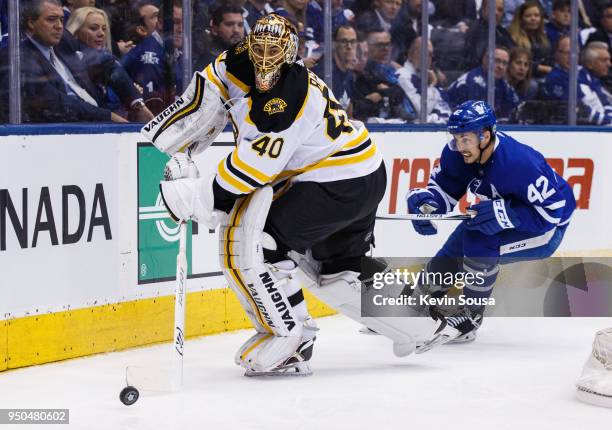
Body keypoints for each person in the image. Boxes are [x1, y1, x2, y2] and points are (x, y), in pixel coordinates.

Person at [146, 13, 420, 376]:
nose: (263, 58)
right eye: (258, 47)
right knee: (338, 272)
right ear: (249, 43)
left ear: (290, 53)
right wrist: (169, 143)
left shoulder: (290, 95)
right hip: (356, 171)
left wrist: (197, 197)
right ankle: (421, 324)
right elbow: (207, 90)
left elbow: (254, 170)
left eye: (274, 50)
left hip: (340, 181)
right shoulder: (236, 59)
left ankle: (294, 336)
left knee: (260, 244)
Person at [406, 100, 576, 349]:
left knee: (478, 238)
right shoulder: (456, 153)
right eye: (455, 138)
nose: (458, 146)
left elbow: (553, 211)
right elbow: (445, 189)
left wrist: (506, 215)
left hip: (548, 228)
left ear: (485, 136)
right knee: (464, 238)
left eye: (465, 139)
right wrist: (427, 204)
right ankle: (417, 302)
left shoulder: (518, 163)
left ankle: (470, 318)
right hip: (521, 213)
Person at [2, 0, 126, 123]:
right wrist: (107, 116)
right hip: (66, 130)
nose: (59, 26)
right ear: (31, 23)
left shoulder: (63, 44)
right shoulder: (18, 57)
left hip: (96, 120)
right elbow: (54, 102)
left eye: (61, 20)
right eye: (51, 19)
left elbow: (105, 62)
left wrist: (136, 102)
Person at [65, 6, 154, 121]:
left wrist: (128, 93)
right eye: (93, 28)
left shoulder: (109, 60)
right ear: (76, 31)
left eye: (104, 28)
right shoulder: (77, 61)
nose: (101, 33)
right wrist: (131, 95)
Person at [352, 29, 417, 122]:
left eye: (388, 44)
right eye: (380, 45)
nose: (386, 49)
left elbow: (399, 92)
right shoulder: (362, 74)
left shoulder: (392, 70)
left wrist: (382, 93)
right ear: (368, 47)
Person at [544, 39, 612, 125]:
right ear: (557, 54)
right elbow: (578, 111)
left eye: (575, 53)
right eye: (567, 53)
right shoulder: (556, 78)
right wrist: (607, 120)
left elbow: (604, 99)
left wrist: (609, 116)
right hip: (581, 128)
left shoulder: (583, 72)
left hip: (604, 122)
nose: (571, 57)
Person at [446, 46, 520, 121]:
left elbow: (513, 110)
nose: (501, 66)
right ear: (485, 60)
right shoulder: (472, 82)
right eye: (497, 61)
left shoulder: (504, 84)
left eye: (504, 63)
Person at [396, 36, 451, 123]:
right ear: (410, 55)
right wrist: (432, 85)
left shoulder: (427, 76)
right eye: (424, 53)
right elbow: (422, 111)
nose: (429, 58)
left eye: (431, 54)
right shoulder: (403, 76)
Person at [463, 0, 515, 72]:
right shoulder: (475, 32)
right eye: (492, 8)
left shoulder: (502, 32)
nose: (496, 13)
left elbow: (516, 54)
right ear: (483, 10)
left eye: (500, 10)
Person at [508, 0, 552, 78]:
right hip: (523, 77)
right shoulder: (512, 38)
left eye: (536, 15)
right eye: (528, 16)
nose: (533, 19)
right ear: (520, 19)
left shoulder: (543, 38)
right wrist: (541, 68)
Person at [197, 4, 245, 69]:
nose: (236, 30)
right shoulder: (209, 64)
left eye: (240, 25)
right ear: (214, 30)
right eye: (229, 24)